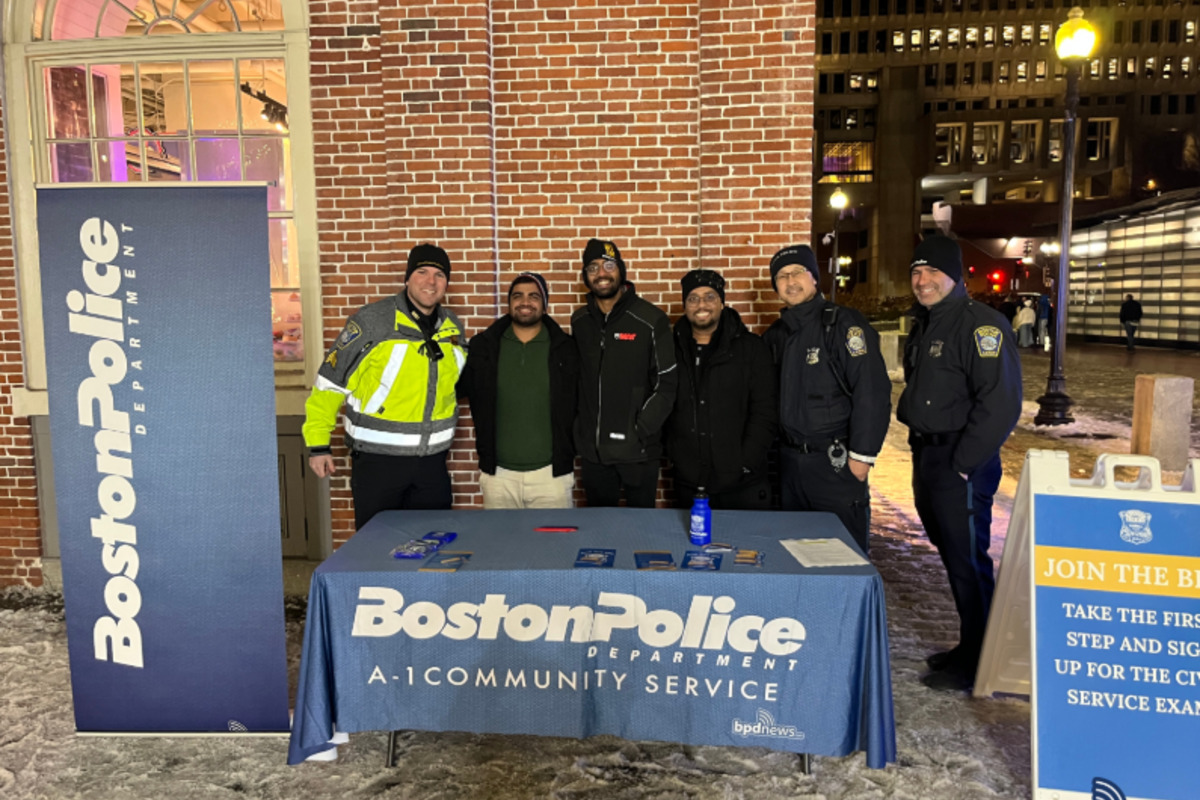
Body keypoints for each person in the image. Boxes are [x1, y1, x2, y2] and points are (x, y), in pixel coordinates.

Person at [899, 235, 1022, 692]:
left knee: (969, 562)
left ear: (955, 276)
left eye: (932, 272)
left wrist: (966, 463)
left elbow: (1001, 401)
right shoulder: (928, 323)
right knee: (952, 556)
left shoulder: (981, 325)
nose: (922, 281)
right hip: (929, 454)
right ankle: (971, 645)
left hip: (959, 460)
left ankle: (982, 660)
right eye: (916, 272)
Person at [303, 244, 466, 529]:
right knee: (375, 553)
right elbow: (331, 381)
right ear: (407, 278)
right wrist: (318, 444)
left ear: (446, 283)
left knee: (432, 546)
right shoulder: (372, 322)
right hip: (378, 462)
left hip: (433, 464)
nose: (431, 281)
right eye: (422, 272)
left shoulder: (452, 327)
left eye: (439, 275)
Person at [763, 245, 891, 554]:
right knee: (796, 555)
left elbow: (871, 390)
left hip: (834, 466)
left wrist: (861, 457)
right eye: (781, 276)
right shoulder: (776, 335)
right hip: (791, 466)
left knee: (841, 557)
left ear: (815, 279)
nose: (790, 281)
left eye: (798, 273)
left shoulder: (844, 325)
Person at [458, 273, 580, 508]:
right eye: (518, 296)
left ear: (545, 304)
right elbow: (455, 388)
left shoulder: (567, 350)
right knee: (500, 544)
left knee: (554, 546)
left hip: (552, 477)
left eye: (534, 296)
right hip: (498, 477)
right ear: (509, 303)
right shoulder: (483, 347)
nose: (525, 302)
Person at [572, 238, 677, 508]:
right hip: (594, 455)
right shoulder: (580, 321)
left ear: (621, 270)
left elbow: (667, 382)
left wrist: (640, 429)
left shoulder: (650, 319)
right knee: (599, 535)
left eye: (608, 265)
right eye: (593, 268)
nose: (602, 274)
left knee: (639, 534)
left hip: (638, 453)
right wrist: (581, 432)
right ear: (585, 276)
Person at [666, 269, 777, 510]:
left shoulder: (752, 349)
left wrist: (745, 462)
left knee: (747, 547)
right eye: (693, 298)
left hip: (743, 485)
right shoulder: (669, 351)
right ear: (685, 305)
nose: (701, 305)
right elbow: (663, 403)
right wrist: (675, 455)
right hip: (689, 483)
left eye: (709, 297)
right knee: (690, 546)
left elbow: (765, 411)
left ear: (722, 302)